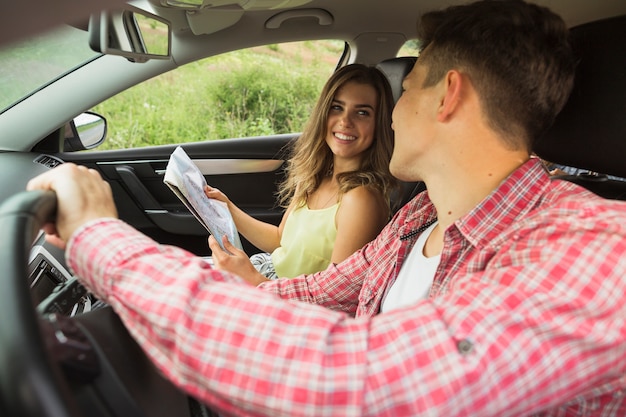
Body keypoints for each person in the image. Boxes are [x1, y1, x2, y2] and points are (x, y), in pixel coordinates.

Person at [27, 0, 626, 415]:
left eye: (406, 87)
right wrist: (199, 282)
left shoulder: (595, 247)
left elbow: (356, 380)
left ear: (448, 95)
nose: (394, 109)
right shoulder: (422, 218)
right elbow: (313, 291)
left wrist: (104, 241)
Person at [204, 64, 398, 280]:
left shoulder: (361, 199)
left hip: (285, 300)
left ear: (379, 124)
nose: (345, 121)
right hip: (267, 274)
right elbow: (279, 240)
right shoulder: (316, 177)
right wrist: (227, 208)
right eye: (336, 107)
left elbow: (333, 296)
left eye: (362, 113)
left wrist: (253, 281)